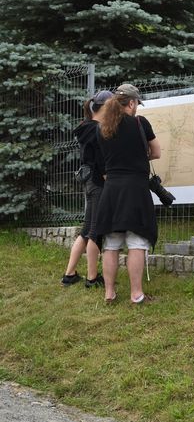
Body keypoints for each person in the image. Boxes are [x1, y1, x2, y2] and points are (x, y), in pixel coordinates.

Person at [94, 83, 161, 304]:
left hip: (112, 189)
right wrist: (139, 157)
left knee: (111, 244)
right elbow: (156, 152)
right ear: (131, 103)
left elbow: (103, 161)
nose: (137, 108)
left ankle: (109, 293)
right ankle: (136, 294)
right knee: (137, 242)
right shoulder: (140, 123)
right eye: (137, 104)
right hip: (135, 189)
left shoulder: (102, 128)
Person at [61, 91, 113, 287]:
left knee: (86, 231)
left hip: (88, 181)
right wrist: (109, 181)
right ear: (104, 107)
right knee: (95, 232)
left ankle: (69, 274)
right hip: (98, 182)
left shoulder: (86, 127)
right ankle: (92, 278)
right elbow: (101, 161)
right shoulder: (97, 129)